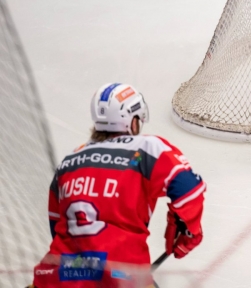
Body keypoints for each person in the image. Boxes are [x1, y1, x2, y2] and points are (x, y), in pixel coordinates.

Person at [32, 83, 205, 287]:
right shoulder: (148, 149)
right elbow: (189, 190)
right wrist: (188, 230)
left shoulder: (69, 161)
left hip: (56, 276)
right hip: (120, 277)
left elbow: (56, 224)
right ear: (132, 122)